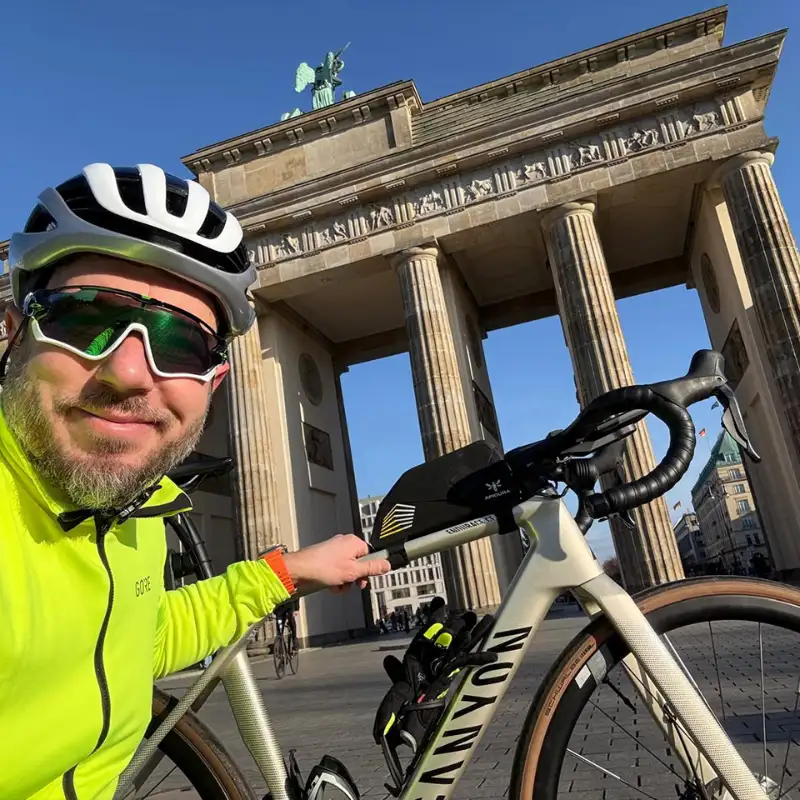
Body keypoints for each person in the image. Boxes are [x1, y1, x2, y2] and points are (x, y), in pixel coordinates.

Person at [0, 163, 391, 800]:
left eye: (179, 343)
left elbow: (139, 636)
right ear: (12, 333)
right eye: (84, 318)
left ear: (213, 381)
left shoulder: (132, 512)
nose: (128, 371)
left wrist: (288, 572)